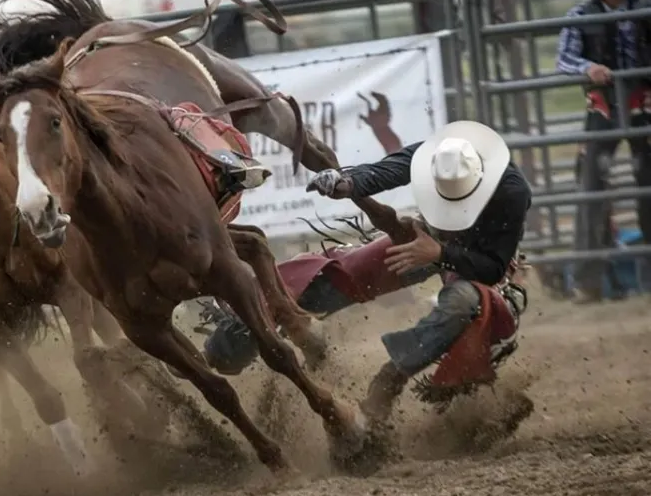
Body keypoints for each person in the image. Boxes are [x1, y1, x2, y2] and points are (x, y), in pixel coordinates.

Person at [198, 121, 531, 431]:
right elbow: (389, 169)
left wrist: (441, 255)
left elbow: (494, 267)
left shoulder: (512, 193)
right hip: (435, 236)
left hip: (480, 257)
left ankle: (390, 380)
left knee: (463, 301)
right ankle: (231, 341)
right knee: (350, 271)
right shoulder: (438, 156)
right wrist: (347, 182)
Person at [555, 0, 651, 303]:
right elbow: (564, 59)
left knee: (648, 185)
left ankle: (639, 279)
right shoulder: (580, 15)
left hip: (644, 104)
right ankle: (589, 280)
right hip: (604, 107)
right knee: (592, 187)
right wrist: (588, 66)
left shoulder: (646, 7)